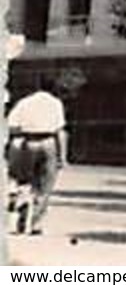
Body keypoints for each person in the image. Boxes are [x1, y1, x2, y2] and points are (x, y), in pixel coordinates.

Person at [6, 82, 67, 234]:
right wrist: (62, 156)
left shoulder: (24, 102)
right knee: (45, 185)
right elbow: (60, 131)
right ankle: (36, 224)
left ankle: (22, 213)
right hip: (48, 142)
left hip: (27, 141)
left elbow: (11, 125)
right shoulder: (55, 103)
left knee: (25, 181)